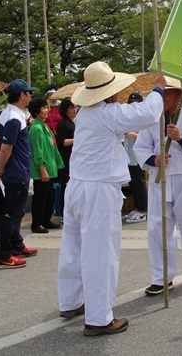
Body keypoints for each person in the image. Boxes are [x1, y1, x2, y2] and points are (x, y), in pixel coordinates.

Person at [57, 63, 164, 336]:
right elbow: (149, 113)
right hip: (98, 189)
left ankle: (71, 301)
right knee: (100, 253)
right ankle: (99, 318)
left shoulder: (85, 113)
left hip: (77, 186)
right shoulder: (108, 113)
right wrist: (159, 90)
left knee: (74, 247)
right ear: (110, 93)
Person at [134, 79, 182, 295]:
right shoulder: (152, 120)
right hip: (161, 178)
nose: (162, 97)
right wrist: (154, 160)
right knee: (158, 228)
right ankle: (162, 277)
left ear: (179, 95)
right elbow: (140, 148)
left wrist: (180, 138)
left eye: (167, 93)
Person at [0, 79, 38, 269]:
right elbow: (6, 148)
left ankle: (16, 244)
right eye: (28, 93)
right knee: (10, 215)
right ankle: (3, 255)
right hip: (16, 171)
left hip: (17, 170)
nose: (30, 96)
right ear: (21, 95)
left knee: (17, 212)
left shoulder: (10, 114)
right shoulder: (13, 117)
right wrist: (0, 168)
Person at [28, 98, 64, 234]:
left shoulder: (44, 126)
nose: (47, 111)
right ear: (37, 111)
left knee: (49, 196)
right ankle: (37, 223)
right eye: (44, 108)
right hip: (42, 170)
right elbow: (38, 152)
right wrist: (42, 169)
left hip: (50, 168)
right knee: (40, 197)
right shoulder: (37, 129)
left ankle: (45, 220)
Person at [124, 93, 148, 224]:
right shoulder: (129, 118)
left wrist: (132, 134)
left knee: (139, 183)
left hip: (138, 156)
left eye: (135, 103)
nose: (132, 105)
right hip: (129, 156)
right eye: (130, 103)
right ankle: (137, 207)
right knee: (133, 183)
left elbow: (145, 139)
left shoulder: (142, 120)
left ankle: (142, 210)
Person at [55, 97, 76, 219]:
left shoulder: (74, 122)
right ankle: (64, 213)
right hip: (66, 157)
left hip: (74, 157)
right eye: (71, 107)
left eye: (75, 107)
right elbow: (61, 142)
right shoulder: (63, 124)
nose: (74, 110)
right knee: (66, 186)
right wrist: (76, 140)